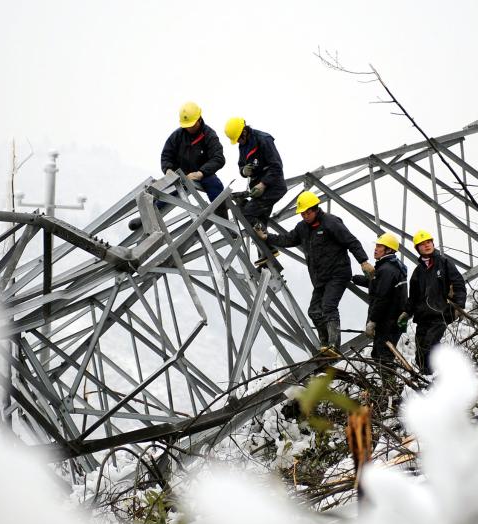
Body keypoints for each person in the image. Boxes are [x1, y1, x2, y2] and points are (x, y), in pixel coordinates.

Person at [258, 191, 374, 355]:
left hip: (337, 273)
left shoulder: (331, 223)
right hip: (320, 277)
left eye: (307, 212)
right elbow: (288, 239)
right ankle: (325, 345)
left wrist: (364, 261)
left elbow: (351, 241)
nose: (305, 216)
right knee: (313, 311)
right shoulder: (302, 228)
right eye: (302, 213)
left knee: (329, 306)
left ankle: (334, 346)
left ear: (315, 209)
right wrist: (267, 238)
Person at [130, 101, 225, 230]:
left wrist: (200, 173)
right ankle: (145, 219)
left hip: (203, 174)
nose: (189, 128)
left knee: (216, 188)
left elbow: (218, 158)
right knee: (164, 193)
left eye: (191, 125)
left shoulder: (209, 135)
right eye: (187, 125)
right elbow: (166, 155)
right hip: (181, 175)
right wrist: (168, 170)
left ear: (199, 119)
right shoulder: (177, 136)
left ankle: (226, 225)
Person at [397, 230, 467, 375]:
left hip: (441, 314)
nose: (427, 245)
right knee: (420, 355)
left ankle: (437, 377)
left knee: (429, 348)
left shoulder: (444, 263)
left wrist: (459, 306)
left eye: (428, 242)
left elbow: (458, 284)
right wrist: (407, 312)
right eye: (422, 244)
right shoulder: (418, 272)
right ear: (418, 249)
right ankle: (427, 379)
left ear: (433, 244)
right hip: (423, 318)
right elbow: (413, 297)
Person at [225, 117, 287, 266]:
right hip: (258, 188)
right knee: (259, 220)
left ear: (244, 131)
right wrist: (243, 171)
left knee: (247, 213)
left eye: (239, 138)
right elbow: (241, 165)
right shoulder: (243, 145)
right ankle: (267, 257)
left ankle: (268, 250)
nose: (238, 141)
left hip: (273, 187)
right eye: (236, 140)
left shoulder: (263, 139)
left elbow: (276, 166)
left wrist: (263, 184)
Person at [352, 232, 408, 385]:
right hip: (392, 320)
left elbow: (382, 297)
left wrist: (372, 321)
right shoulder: (391, 267)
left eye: (380, 246)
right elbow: (376, 284)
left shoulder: (387, 270)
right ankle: (389, 387)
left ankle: (391, 387)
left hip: (388, 321)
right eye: (376, 246)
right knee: (378, 354)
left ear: (388, 250)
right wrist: (355, 279)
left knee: (383, 356)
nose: (376, 249)